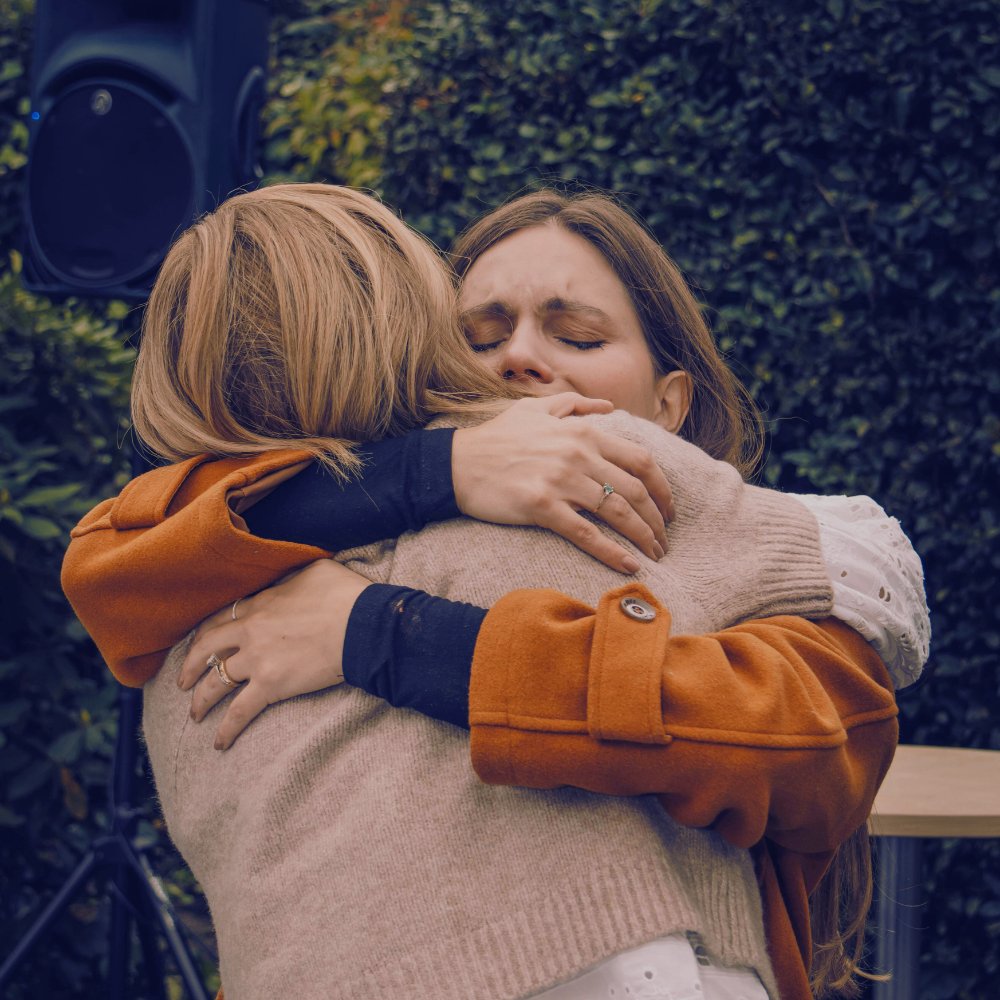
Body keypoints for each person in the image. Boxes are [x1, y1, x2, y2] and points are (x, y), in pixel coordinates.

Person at [61, 186, 923, 1000]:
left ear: (669, 406)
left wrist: (382, 633)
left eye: (578, 337)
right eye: (476, 339)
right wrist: (438, 467)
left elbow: (816, 731)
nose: (518, 359)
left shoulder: (738, 565)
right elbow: (119, 558)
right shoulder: (301, 524)